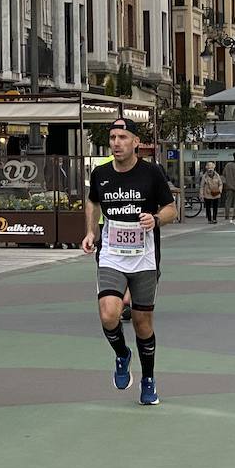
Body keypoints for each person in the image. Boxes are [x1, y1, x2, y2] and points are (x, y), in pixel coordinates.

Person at [82, 118, 177, 406]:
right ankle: (122, 354)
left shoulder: (151, 173)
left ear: (136, 142)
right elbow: (92, 201)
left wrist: (156, 219)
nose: (116, 142)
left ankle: (148, 379)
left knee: (141, 322)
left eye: (123, 137)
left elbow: (171, 207)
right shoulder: (100, 174)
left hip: (145, 257)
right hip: (112, 254)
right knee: (108, 314)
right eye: (112, 137)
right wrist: (91, 231)